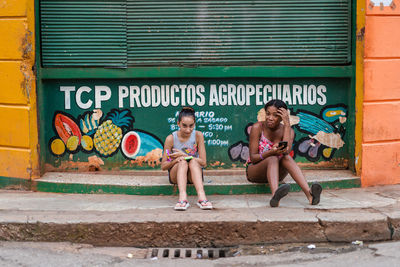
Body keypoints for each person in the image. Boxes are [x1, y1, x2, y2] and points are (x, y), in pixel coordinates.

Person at [246, 99, 322, 207]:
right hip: (255, 171)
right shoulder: (257, 127)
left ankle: (310, 195)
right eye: (268, 114)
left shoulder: (289, 131)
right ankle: (275, 196)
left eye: (275, 115)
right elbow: (253, 158)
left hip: (276, 174)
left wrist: (287, 125)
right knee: (272, 158)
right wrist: (271, 152)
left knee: (286, 158)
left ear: (282, 117)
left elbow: (286, 151)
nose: (270, 118)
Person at [161, 107, 212, 211]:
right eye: (184, 126)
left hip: (193, 174)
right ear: (178, 123)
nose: (188, 130)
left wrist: (183, 155)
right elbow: (164, 165)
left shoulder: (198, 136)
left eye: (191, 126)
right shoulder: (170, 139)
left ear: (195, 124)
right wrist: (177, 159)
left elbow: (203, 162)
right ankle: (182, 199)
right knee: (183, 162)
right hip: (176, 174)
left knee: (192, 161)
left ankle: (202, 198)